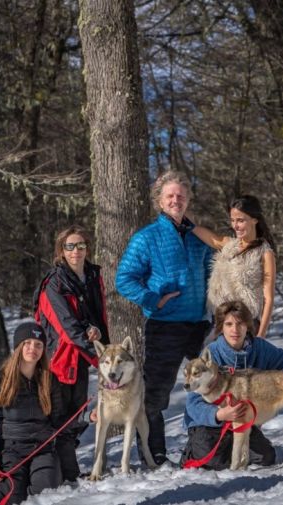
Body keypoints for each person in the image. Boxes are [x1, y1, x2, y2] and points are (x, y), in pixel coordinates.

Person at [116, 170, 214, 466]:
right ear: (159, 201)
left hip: (200, 324)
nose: (176, 200)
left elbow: (213, 273)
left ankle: (210, 447)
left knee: (213, 384)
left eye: (181, 195)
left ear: (188, 200)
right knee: (156, 393)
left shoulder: (199, 238)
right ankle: (153, 454)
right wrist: (153, 299)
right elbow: (124, 279)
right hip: (165, 325)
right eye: (170, 195)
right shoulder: (146, 238)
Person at [180, 300, 283, 470]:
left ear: (247, 326)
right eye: (229, 324)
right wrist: (219, 414)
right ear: (221, 327)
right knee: (214, 462)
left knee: (265, 458)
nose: (235, 330)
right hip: (209, 423)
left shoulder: (259, 347)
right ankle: (192, 451)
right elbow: (193, 404)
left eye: (240, 324)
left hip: (242, 422)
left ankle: (231, 450)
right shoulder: (211, 354)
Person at [33, 225, 109, 483]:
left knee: (76, 415)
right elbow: (67, 327)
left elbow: (95, 317)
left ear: (87, 248)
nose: (76, 251)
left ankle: (68, 470)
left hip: (80, 357)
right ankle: (61, 471)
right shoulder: (54, 283)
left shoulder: (91, 275)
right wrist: (102, 360)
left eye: (80, 245)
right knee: (59, 418)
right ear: (61, 251)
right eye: (69, 246)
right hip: (58, 360)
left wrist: (97, 333)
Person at [0, 322, 63, 505]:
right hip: (11, 451)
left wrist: (88, 417)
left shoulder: (49, 380)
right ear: (18, 346)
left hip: (42, 450)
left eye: (38, 344)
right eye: (27, 343)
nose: (33, 348)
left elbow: (60, 421)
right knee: (10, 499)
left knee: (47, 496)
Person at [192, 195, 277, 338]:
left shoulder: (265, 253)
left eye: (240, 220)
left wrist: (261, 335)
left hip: (244, 326)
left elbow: (268, 299)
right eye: (232, 220)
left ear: (255, 220)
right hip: (221, 324)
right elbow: (213, 239)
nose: (235, 226)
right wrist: (186, 224)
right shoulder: (230, 244)